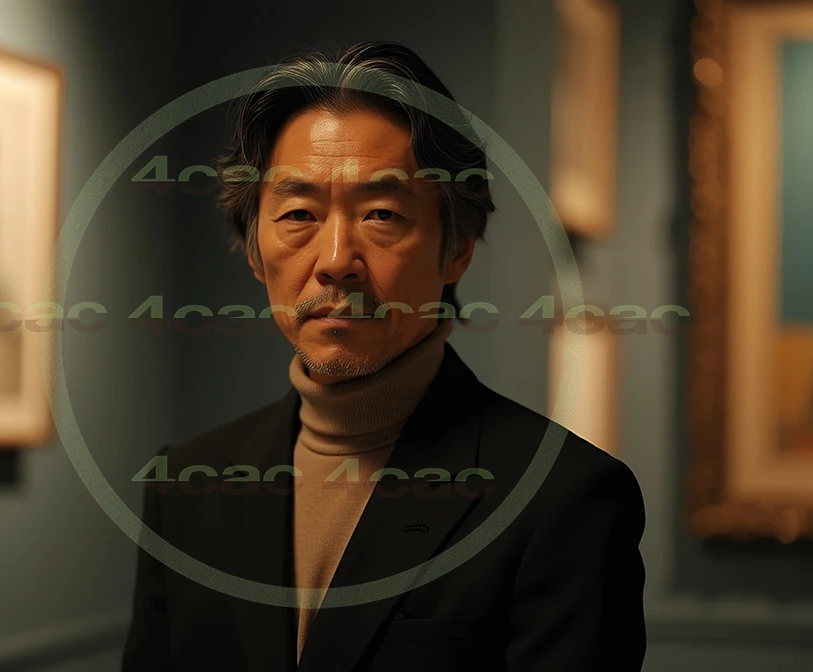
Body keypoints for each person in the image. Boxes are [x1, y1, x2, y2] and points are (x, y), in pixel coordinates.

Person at [122, 41, 647, 672]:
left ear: (457, 247)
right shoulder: (187, 486)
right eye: (299, 213)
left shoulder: (563, 498)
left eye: (381, 213)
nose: (336, 260)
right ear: (256, 250)